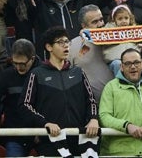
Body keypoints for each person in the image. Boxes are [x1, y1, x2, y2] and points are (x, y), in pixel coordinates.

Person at [22, 27, 101, 156]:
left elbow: (91, 100)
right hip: (51, 141)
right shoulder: (36, 74)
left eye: (67, 41)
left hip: (79, 139)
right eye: (60, 42)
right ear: (49, 47)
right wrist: (45, 123)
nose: (66, 46)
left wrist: (93, 119)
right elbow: (25, 105)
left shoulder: (78, 72)